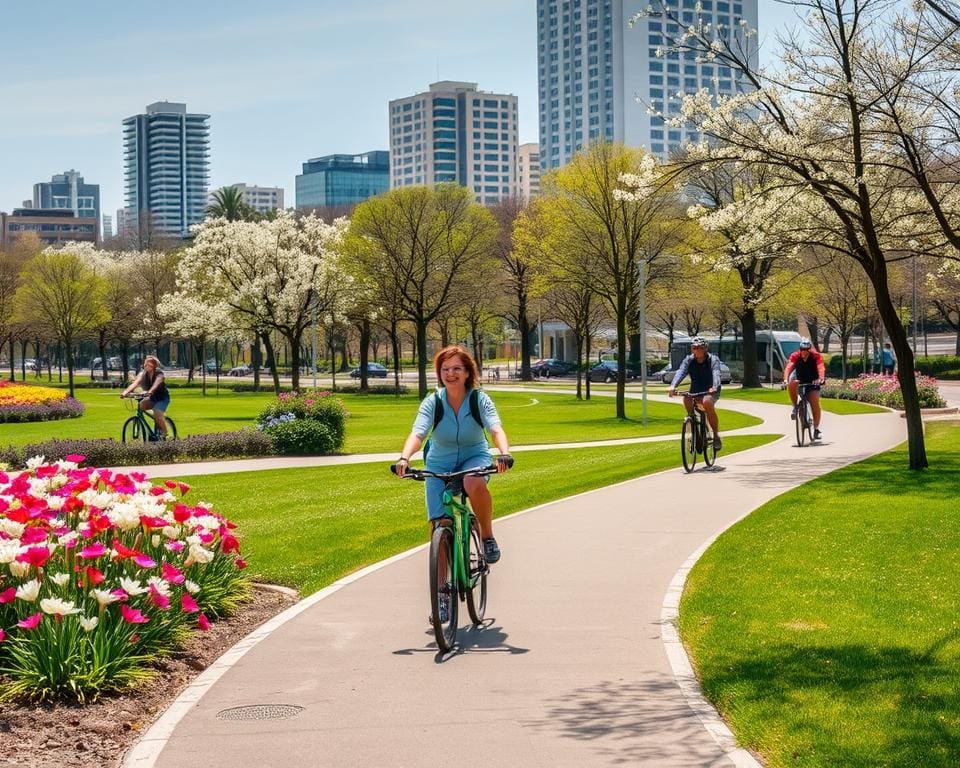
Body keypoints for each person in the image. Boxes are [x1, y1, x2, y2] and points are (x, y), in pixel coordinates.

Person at [395, 345, 512, 569]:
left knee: (472, 480)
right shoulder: (433, 402)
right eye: (445, 369)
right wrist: (404, 458)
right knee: (439, 526)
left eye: (457, 368)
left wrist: (504, 453)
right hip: (439, 461)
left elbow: (495, 429)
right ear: (439, 374)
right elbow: (418, 433)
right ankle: (442, 598)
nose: (450, 373)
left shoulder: (479, 400)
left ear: (468, 372)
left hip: (474, 455)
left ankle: (487, 536)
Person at [668, 336, 723, 450]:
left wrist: (714, 386)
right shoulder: (689, 360)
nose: (697, 350)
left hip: (710, 390)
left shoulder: (713, 360)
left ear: (705, 349)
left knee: (707, 402)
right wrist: (673, 386)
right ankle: (693, 426)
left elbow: (716, 373)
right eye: (694, 348)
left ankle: (716, 435)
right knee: (686, 397)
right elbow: (681, 372)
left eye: (700, 348)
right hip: (696, 389)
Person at [783, 337, 826, 440]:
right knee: (792, 383)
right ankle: (795, 406)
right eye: (802, 350)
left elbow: (820, 367)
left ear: (810, 349)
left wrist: (821, 378)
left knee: (814, 401)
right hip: (800, 379)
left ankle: (816, 429)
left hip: (812, 380)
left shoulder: (816, 356)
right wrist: (785, 379)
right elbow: (789, 367)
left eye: (806, 350)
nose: (804, 352)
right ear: (800, 349)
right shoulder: (795, 356)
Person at [120, 355, 171, 439]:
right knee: (141, 406)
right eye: (145, 364)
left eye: (149, 365)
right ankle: (157, 419)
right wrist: (125, 392)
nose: (147, 366)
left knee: (157, 412)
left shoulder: (159, 373)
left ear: (154, 366)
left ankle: (165, 434)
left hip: (162, 398)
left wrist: (150, 391)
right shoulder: (143, 374)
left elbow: (157, 383)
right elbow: (135, 383)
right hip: (151, 398)